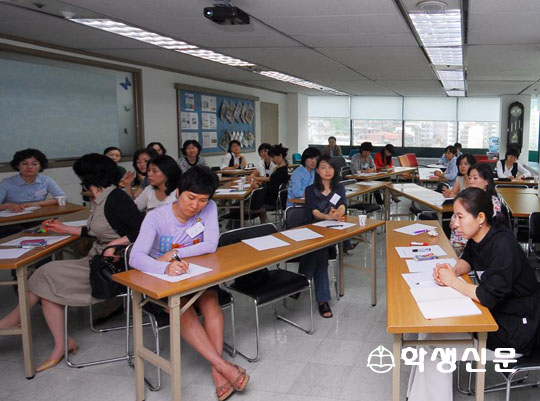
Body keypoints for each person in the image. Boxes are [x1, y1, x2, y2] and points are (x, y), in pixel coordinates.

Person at [0, 154, 144, 373]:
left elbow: (142, 231)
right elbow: (98, 230)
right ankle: (62, 343)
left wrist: (115, 243)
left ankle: (15, 321)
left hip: (111, 266)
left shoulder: (116, 198)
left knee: (44, 274)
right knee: (45, 281)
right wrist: (64, 229)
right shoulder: (101, 197)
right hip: (97, 258)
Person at [408, 187, 540, 401]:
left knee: (434, 347)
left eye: (460, 216)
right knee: (428, 332)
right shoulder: (482, 236)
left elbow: (487, 295)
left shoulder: (503, 246)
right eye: (454, 216)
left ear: (480, 218)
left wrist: (452, 282)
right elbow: (469, 258)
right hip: (497, 316)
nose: (454, 223)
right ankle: (416, 395)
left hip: (514, 331)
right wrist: (453, 271)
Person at [129, 166, 249, 400]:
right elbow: (135, 258)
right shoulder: (156, 217)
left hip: (194, 272)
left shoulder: (209, 207)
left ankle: (217, 371)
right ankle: (222, 366)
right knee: (183, 308)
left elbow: (210, 245)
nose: (195, 205)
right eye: (190, 197)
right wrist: (164, 266)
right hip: (161, 279)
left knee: (211, 301)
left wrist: (174, 254)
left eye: (202, 200)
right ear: (178, 192)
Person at [299, 156, 346, 318]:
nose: (327, 171)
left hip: (331, 232)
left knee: (319, 251)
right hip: (311, 231)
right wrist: (327, 217)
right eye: (323, 168)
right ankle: (322, 300)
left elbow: (342, 205)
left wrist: (338, 213)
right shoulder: (310, 190)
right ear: (318, 171)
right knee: (320, 253)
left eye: (330, 168)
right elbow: (314, 212)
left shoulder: (338, 188)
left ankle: (300, 281)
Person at [449, 163, 503, 254]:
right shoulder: (466, 197)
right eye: (470, 178)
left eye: (475, 178)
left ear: (486, 181)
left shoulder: (493, 201)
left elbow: (487, 226)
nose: (471, 181)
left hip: (472, 248)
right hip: (455, 244)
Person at [0, 148, 65, 212]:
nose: (29, 167)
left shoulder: (46, 180)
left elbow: (62, 198)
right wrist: (7, 205)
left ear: (40, 166)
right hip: (14, 217)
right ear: (17, 165)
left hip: (39, 215)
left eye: (34, 164)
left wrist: (37, 204)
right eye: (24, 164)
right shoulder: (6, 183)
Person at [261, 143, 289, 209]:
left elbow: (272, 190)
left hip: (272, 201)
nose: (272, 159)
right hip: (275, 199)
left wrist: (259, 187)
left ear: (280, 156)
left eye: (273, 157)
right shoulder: (282, 169)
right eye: (271, 157)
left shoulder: (280, 172)